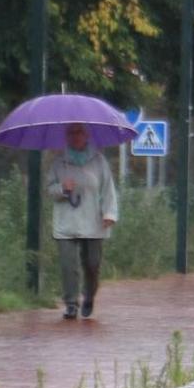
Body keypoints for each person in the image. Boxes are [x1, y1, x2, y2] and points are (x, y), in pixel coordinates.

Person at [46, 123, 118, 320]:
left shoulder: (99, 161)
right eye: (71, 133)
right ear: (66, 137)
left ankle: (89, 296)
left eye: (79, 132)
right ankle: (71, 304)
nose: (75, 136)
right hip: (66, 222)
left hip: (93, 220)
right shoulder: (59, 162)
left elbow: (108, 189)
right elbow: (49, 190)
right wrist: (62, 188)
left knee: (92, 264)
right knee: (68, 265)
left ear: (87, 136)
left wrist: (109, 213)